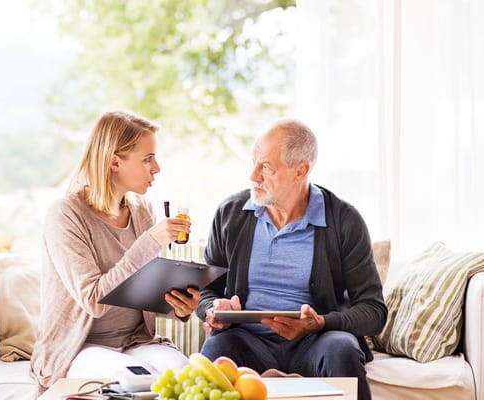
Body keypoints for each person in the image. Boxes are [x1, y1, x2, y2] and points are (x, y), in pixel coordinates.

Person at [196, 120, 387, 400]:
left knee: (342, 350)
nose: (253, 175)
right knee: (215, 352)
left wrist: (319, 322)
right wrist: (214, 310)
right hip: (246, 339)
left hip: (316, 341)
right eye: (253, 163)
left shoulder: (344, 220)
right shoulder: (230, 214)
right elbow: (206, 291)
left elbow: (373, 311)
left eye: (266, 167)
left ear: (301, 171)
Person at [30, 110, 200, 394]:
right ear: (114, 162)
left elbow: (141, 289)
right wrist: (149, 241)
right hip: (80, 347)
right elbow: (94, 300)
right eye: (147, 159)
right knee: (137, 383)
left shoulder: (142, 210)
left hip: (136, 341)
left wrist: (178, 307)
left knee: (183, 375)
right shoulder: (65, 215)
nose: (156, 168)